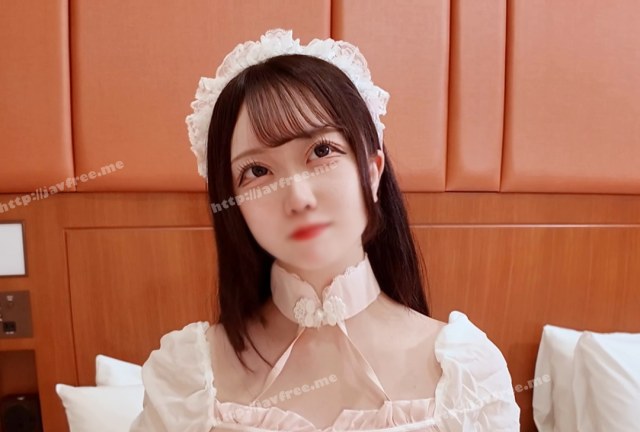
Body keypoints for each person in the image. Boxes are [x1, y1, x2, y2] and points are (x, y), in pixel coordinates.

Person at [129, 29, 520, 432]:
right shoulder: (188, 382)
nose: (298, 197)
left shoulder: (467, 377)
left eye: (321, 151)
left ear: (372, 171)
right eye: (257, 171)